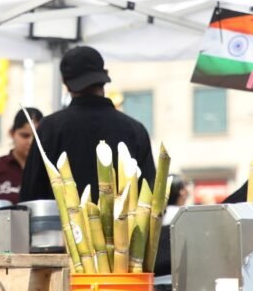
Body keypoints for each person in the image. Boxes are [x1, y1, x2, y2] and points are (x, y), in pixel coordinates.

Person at [21, 46, 155, 203]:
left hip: (61, 227)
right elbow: (149, 195)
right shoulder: (135, 130)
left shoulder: (50, 128)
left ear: (65, 82)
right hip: (128, 227)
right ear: (105, 75)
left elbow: (30, 197)